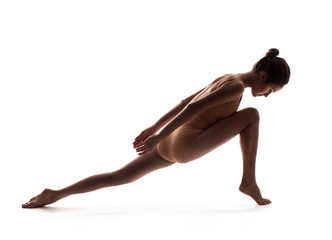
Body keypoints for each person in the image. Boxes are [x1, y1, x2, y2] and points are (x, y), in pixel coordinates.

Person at [22, 48, 290, 208]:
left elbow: (186, 101)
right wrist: (158, 132)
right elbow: (191, 108)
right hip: (184, 144)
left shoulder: (228, 78)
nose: (268, 94)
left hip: (172, 141)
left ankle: (56, 194)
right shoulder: (233, 87)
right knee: (252, 115)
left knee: (119, 176)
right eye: (271, 89)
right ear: (263, 76)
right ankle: (249, 182)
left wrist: (156, 129)